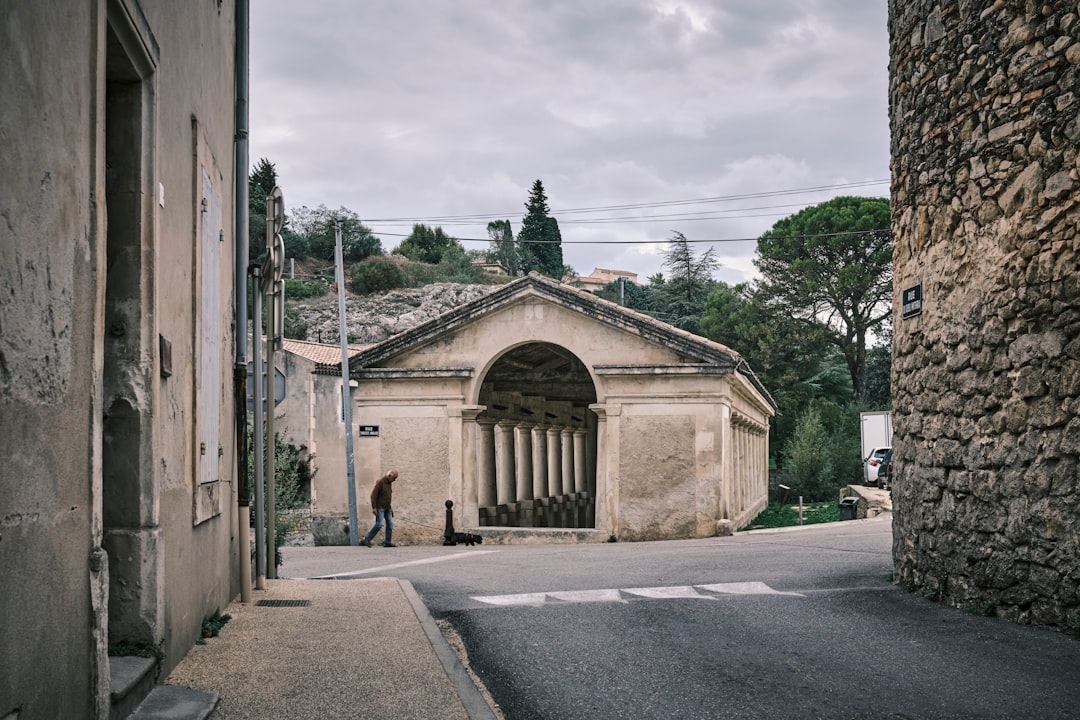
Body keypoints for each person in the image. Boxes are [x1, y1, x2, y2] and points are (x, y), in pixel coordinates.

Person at [361, 469, 398, 547]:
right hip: (380, 507)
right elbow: (373, 495)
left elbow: (388, 497)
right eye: (394, 478)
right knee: (379, 524)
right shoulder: (381, 482)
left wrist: (391, 509)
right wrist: (374, 507)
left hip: (387, 508)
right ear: (389, 475)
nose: (394, 480)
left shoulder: (389, 483)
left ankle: (387, 542)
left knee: (390, 524)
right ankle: (367, 538)